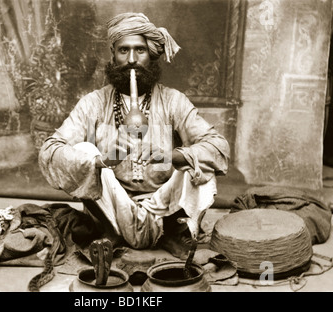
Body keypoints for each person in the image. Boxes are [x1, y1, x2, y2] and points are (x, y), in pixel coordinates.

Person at [39, 12, 230, 259]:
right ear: (113, 54)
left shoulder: (173, 100)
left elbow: (219, 147)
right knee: (86, 150)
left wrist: (171, 156)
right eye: (123, 50)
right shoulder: (94, 103)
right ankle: (110, 232)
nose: (131, 60)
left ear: (150, 54)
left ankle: (173, 231)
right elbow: (50, 151)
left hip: (163, 206)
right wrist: (100, 161)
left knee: (197, 164)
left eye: (139, 50)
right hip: (113, 206)